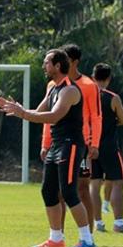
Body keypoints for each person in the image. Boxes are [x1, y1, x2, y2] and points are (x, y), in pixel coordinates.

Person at [0, 49, 95, 247]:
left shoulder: (69, 90)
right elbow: (38, 111)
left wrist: (23, 113)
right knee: (48, 191)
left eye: (46, 62)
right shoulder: (53, 89)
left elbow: (53, 116)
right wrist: (18, 110)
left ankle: (87, 240)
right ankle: (56, 239)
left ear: (58, 66)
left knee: (69, 192)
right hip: (57, 145)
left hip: (71, 144)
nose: (44, 66)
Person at [41, 44, 101, 233]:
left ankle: (87, 235)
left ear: (73, 62)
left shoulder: (87, 85)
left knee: (81, 189)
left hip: (79, 142)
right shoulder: (52, 86)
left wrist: (94, 143)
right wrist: (45, 143)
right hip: (57, 143)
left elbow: (95, 116)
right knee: (55, 192)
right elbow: (48, 116)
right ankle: (59, 234)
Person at [89, 63, 123, 233]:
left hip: (90, 146)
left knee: (94, 184)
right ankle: (119, 222)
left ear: (93, 77)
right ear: (108, 78)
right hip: (109, 146)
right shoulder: (113, 97)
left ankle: (98, 223)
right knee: (118, 182)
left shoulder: (86, 96)